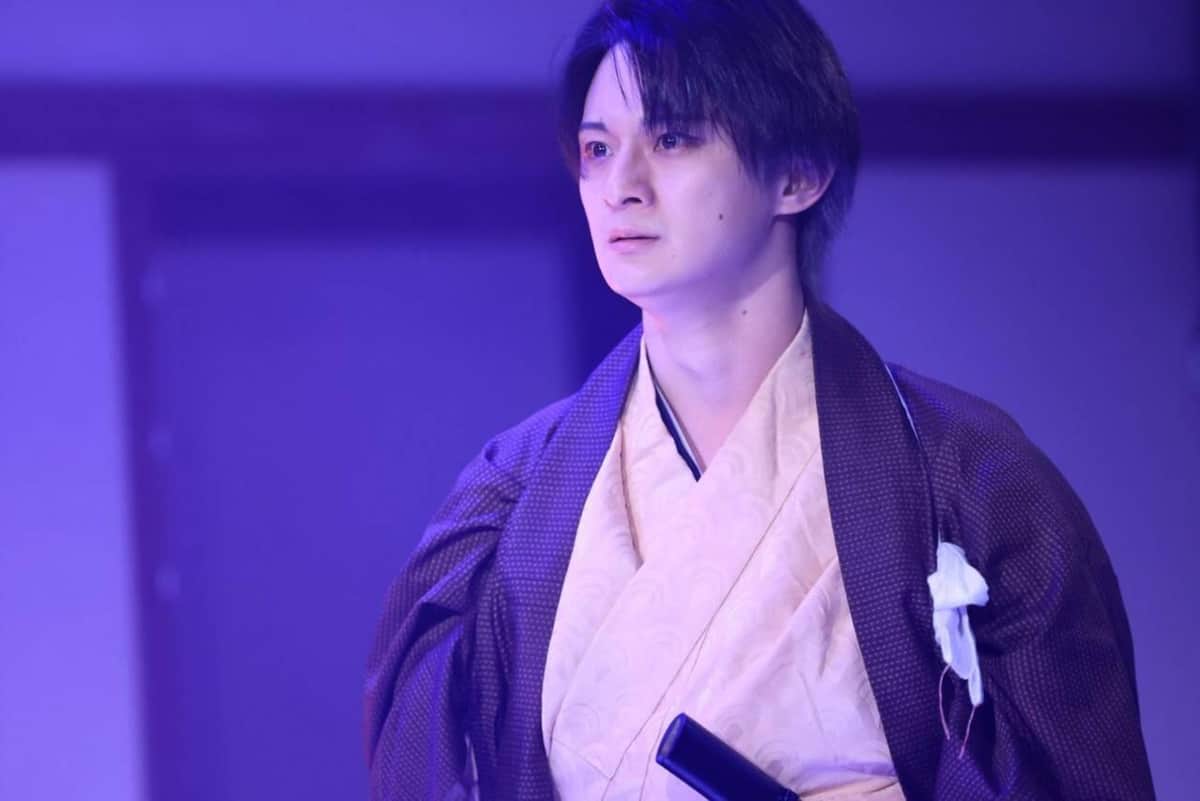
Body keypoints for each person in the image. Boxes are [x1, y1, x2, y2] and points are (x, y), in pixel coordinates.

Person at [364, 1, 1155, 799]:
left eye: (672, 139)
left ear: (798, 174)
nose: (619, 187)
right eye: (598, 149)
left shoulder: (969, 479)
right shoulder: (514, 496)